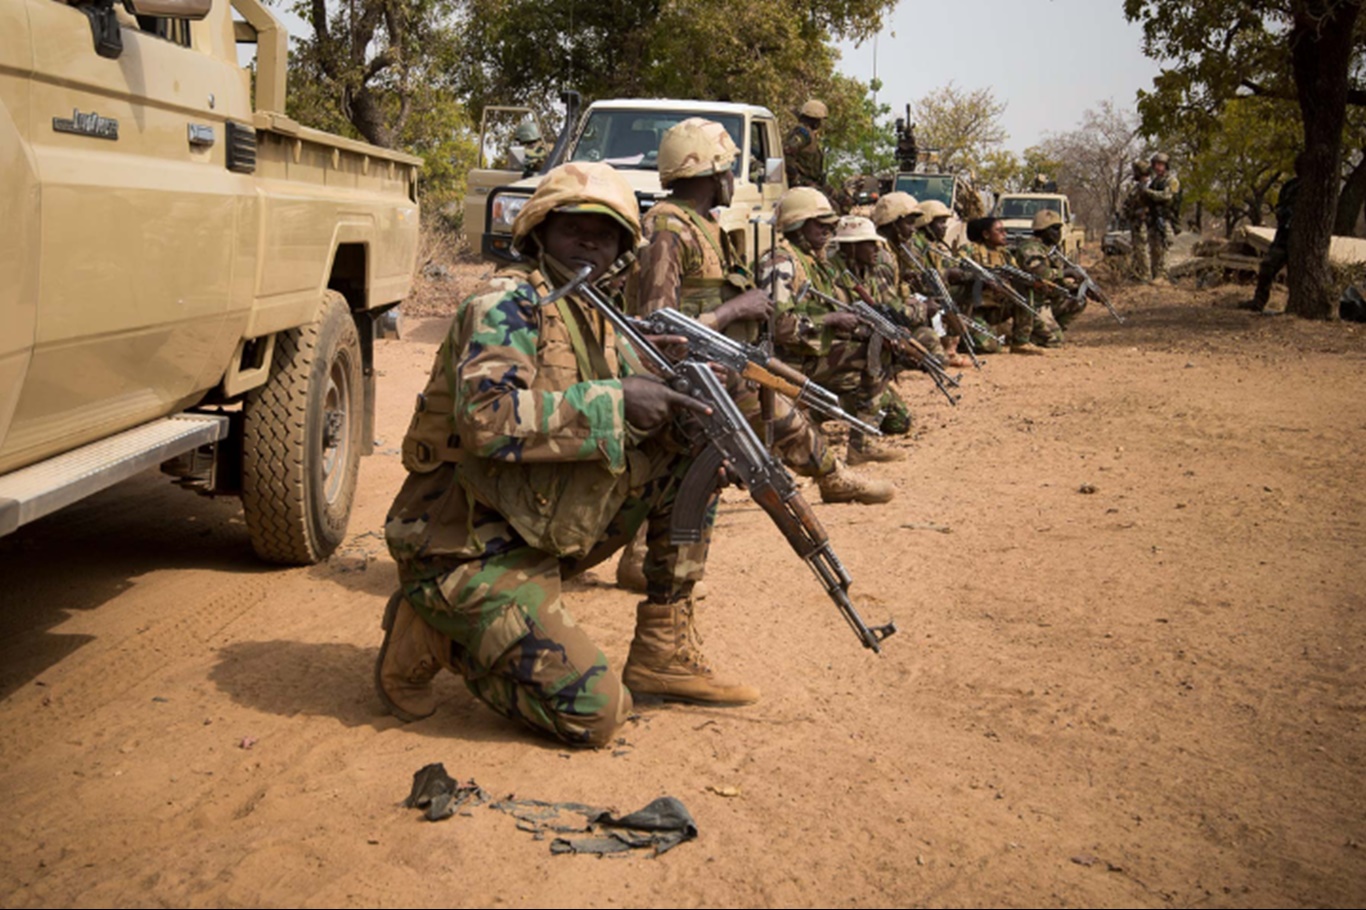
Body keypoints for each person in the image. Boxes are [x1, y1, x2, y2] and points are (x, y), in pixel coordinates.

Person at [378, 162, 758, 749]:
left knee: (690, 459)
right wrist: (616, 400)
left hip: (530, 522)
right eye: (573, 228)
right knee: (598, 715)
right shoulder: (508, 302)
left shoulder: (591, 309)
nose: (590, 241)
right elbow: (485, 418)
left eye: (605, 233)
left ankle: (664, 647)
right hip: (462, 543)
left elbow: (627, 404)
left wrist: (675, 393)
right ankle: (434, 635)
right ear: (538, 231)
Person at [616, 119, 892, 591]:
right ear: (709, 172)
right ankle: (647, 565)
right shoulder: (668, 230)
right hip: (689, 375)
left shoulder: (705, 226)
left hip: (722, 367)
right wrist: (734, 309)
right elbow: (656, 326)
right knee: (690, 469)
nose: (732, 180)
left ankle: (831, 473)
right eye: (727, 169)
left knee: (772, 424)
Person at [759, 188, 899, 465]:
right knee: (870, 355)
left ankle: (855, 439)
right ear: (797, 224)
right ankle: (856, 441)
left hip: (810, 353)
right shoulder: (782, 261)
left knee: (875, 350)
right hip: (785, 360)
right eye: (818, 224)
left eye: (829, 225)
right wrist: (831, 321)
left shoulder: (811, 261)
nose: (826, 231)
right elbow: (779, 326)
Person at [958, 216, 1046, 355]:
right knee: (991, 347)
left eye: (1005, 231)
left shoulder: (1004, 254)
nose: (1005, 234)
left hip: (997, 306)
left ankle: (1020, 341)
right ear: (986, 234)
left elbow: (1017, 275)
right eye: (1000, 231)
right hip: (973, 309)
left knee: (1024, 293)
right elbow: (956, 272)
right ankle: (965, 339)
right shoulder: (969, 250)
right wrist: (981, 278)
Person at [1014, 209, 1079, 346]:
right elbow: (1039, 273)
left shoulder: (1048, 249)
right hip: (1032, 303)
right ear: (1042, 230)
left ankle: (1048, 329)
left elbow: (1055, 278)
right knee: (1055, 341)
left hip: (1047, 298)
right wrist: (1067, 273)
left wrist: (1076, 287)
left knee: (1078, 299)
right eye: (1054, 229)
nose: (1058, 233)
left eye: (1059, 229)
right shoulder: (1031, 248)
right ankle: (1033, 335)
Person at [1248, 155, 1302, 312]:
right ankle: (1259, 301)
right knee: (1267, 267)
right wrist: (1283, 214)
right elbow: (1279, 207)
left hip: (1300, 240)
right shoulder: (1290, 186)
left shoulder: (1314, 188)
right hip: (1283, 236)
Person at [1144, 152, 1181, 280]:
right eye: (1156, 164)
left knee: (1164, 247)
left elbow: (1166, 196)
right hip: (1154, 219)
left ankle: (1163, 276)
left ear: (1166, 166)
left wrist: (1148, 192)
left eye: (1160, 164)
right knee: (1154, 248)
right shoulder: (1155, 181)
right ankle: (1155, 275)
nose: (1158, 167)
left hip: (1166, 218)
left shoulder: (1172, 181)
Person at [783, 99, 829, 192]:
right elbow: (788, 151)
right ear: (815, 120)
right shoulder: (803, 133)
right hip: (803, 185)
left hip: (810, 183)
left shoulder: (808, 133)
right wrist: (795, 179)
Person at [1123, 160, 1152, 282]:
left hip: (1142, 222)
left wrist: (1142, 213)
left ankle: (1145, 275)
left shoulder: (1147, 186)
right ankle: (1137, 272)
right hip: (1135, 221)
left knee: (1142, 249)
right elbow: (1129, 203)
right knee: (1136, 248)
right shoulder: (1137, 187)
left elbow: (1149, 204)